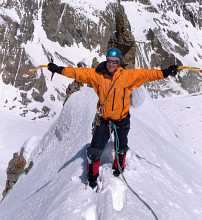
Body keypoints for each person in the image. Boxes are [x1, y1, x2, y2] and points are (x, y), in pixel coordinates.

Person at [48, 48, 179, 189]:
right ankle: (92, 180)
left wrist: (165, 72)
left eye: (114, 62)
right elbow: (78, 73)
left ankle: (118, 171)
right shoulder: (98, 75)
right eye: (109, 61)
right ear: (106, 60)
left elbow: (147, 75)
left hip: (121, 120)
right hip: (104, 120)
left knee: (121, 148)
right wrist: (59, 69)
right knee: (94, 151)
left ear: (118, 63)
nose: (111, 64)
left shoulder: (127, 76)